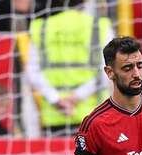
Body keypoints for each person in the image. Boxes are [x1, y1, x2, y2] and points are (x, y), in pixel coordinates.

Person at [25, 0, 114, 136]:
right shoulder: (100, 26)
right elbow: (109, 70)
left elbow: (32, 72)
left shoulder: (41, 27)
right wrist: (77, 97)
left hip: (55, 114)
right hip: (95, 114)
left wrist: (56, 99)